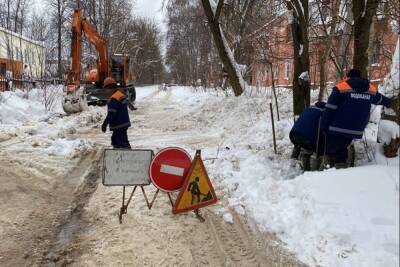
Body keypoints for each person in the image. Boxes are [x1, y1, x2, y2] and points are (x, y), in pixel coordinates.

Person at [320, 68, 394, 168]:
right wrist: (390, 102)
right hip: (357, 129)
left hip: (338, 127)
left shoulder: (340, 87)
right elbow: (381, 99)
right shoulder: (370, 89)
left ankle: (336, 169)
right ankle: (340, 166)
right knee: (342, 147)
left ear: (348, 76)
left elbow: (330, 109)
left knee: (334, 150)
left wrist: (324, 125)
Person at [289, 101, 326, 170]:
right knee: (309, 148)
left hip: (293, 135)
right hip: (307, 138)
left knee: (301, 145)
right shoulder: (323, 113)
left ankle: (293, 162)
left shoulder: (309, 109)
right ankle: (312, 172)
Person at [101, 77, 131, 149]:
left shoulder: (114, 99)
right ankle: (127, 152)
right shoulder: (120, 95)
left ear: (109, 88)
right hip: (124, 123)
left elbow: (111, 114)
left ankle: (121, 156)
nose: (105, 91)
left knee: (117, 142)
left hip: (118, 125)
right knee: (123, 141)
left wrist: (105, 124)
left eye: (106, 89)